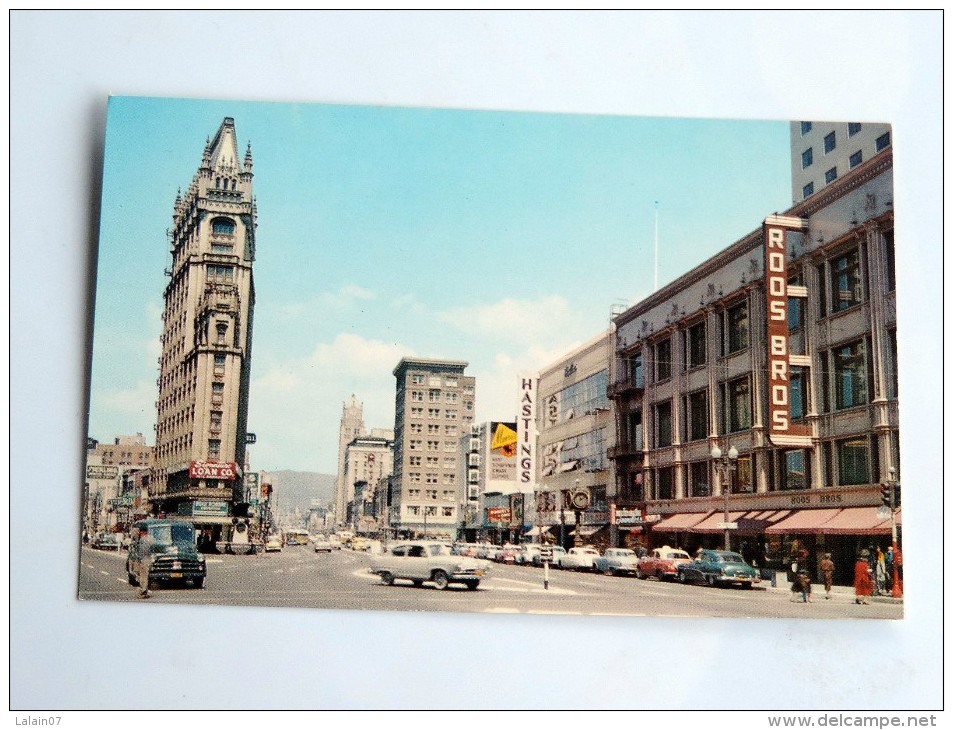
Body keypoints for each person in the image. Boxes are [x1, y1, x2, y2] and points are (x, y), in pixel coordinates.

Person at [130, 525, 156, 599]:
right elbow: (153, 548)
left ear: (141, 532)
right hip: (149, 558)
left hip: (143, 559)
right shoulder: (151, 538)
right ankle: (144, 590)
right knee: (144, 575)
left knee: (143, 576)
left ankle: (143, 591)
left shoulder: (141, 540)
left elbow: (140, 550)